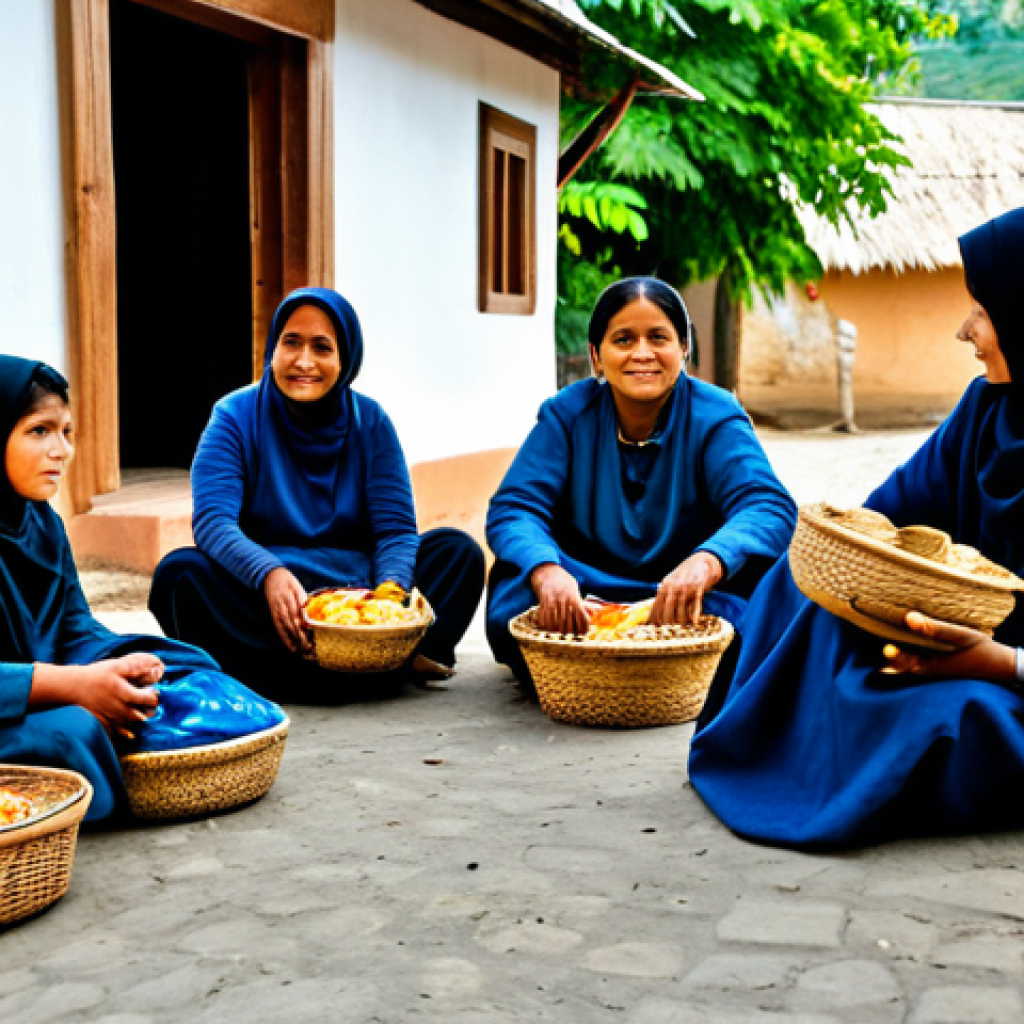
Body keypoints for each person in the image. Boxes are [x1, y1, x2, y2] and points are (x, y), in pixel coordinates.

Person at [689, 207, 1024, 848]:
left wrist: (996, 662)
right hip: (950, 629)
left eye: (982, 309)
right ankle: (761, 746)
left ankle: (827, 764)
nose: (965, 330)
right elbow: (890, 510)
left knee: (942, 720)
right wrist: (853, 560)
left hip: (1009, 672)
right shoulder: (988, 407)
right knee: (802, 585)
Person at [150, 287, 485, 702]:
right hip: (269, 595)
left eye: (322, 347)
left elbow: (396, 531)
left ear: (346, 361)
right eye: (291, 342)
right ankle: (378, 673)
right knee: (179, 575)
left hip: (358, 586)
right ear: (273, 346)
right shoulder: (234, 417)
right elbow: (214, 524)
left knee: (457, 554)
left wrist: (383, 605)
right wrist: (268, 574)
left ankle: (318, 668)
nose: (303, 362)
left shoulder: (372, 422)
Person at [0, 357, 284, 824]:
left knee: (193, 663)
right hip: (14, 706)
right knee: (76, 729)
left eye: (66, 433)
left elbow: (74, 625)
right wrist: (76, 687)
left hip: (59, 676)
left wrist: (119, 665)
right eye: (39, 431)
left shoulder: (43, 523)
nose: (61, 450)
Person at [486, 277, 797, 686]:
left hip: (688, 600)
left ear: (684, 348)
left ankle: (590, 672)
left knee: (773, 597)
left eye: (658, 338)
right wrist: (547, 572)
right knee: (514, 598)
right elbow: (515, 509)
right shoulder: (566, 415)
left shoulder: (716, 414)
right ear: (597, 356)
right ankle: (654, 673)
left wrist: (708, 562)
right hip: (583, 590)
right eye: (623, 340)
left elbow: (767, 505)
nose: (643, 354)